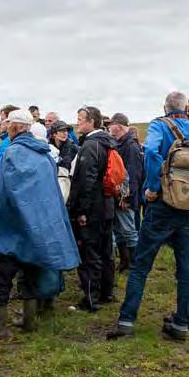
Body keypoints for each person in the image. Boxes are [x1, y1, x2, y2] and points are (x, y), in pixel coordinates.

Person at [106, 91, 189, 341]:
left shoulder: (160, 126)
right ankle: (181, 324)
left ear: (165, 107)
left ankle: (126, 321)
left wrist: (153, 186)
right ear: (186, 108)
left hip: (161, 206)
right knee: (187, 267)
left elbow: (151, 153)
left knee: (141, 265)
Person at [0, 110, 80, 334]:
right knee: (30, 274)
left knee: (0, 278)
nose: (6, 127)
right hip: (37, 227)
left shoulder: (10, 153)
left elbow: (0, 191)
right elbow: (51, 194)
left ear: (17, 127)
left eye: (9, 124)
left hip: (12, 228)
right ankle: (29, 322)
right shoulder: (45, 155)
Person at [67, 105, 119, 312]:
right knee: (106, 251)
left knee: (90, 253)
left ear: (92, 122)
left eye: (80, 119)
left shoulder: (90, 146)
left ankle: (91, 298)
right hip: (107, 205)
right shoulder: (106, 143)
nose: (77, 122)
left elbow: (86, 182)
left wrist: (82, 211)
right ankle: (107, 292)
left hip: (93, 209)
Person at [108, 113, 144, 273]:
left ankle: (135, 265)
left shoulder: (130, 146)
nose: (109, 127)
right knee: (119, 230)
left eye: (111, 124)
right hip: (119, 195)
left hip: (126, 197)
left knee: (129, 230)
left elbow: (133, 175)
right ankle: (124, 262)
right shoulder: (121, 143)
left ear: (119, 126)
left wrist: (126, 197)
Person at [48, 120, 76, 201]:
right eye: (61, 131)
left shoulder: (73, 148)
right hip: (51, 185)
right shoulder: (48, 147)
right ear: (54, 134)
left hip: (68, 186)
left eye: (66, 131)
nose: (65, 133)